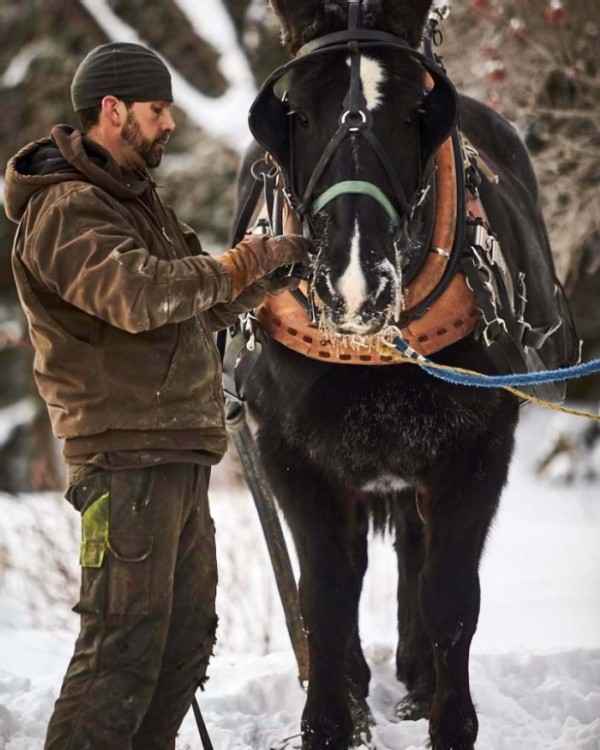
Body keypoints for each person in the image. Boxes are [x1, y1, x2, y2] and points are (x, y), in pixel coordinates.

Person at [3, 42, 309, 749]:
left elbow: (190, 309)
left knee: (183, 640)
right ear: (113, 111)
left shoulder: (134, 203)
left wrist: (267, 276)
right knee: (122, 650)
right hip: (123, 460)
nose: (169, 123)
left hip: (173, 449)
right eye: (156, 109)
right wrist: (240, 261)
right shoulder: (66, 210)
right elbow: (139, 296)